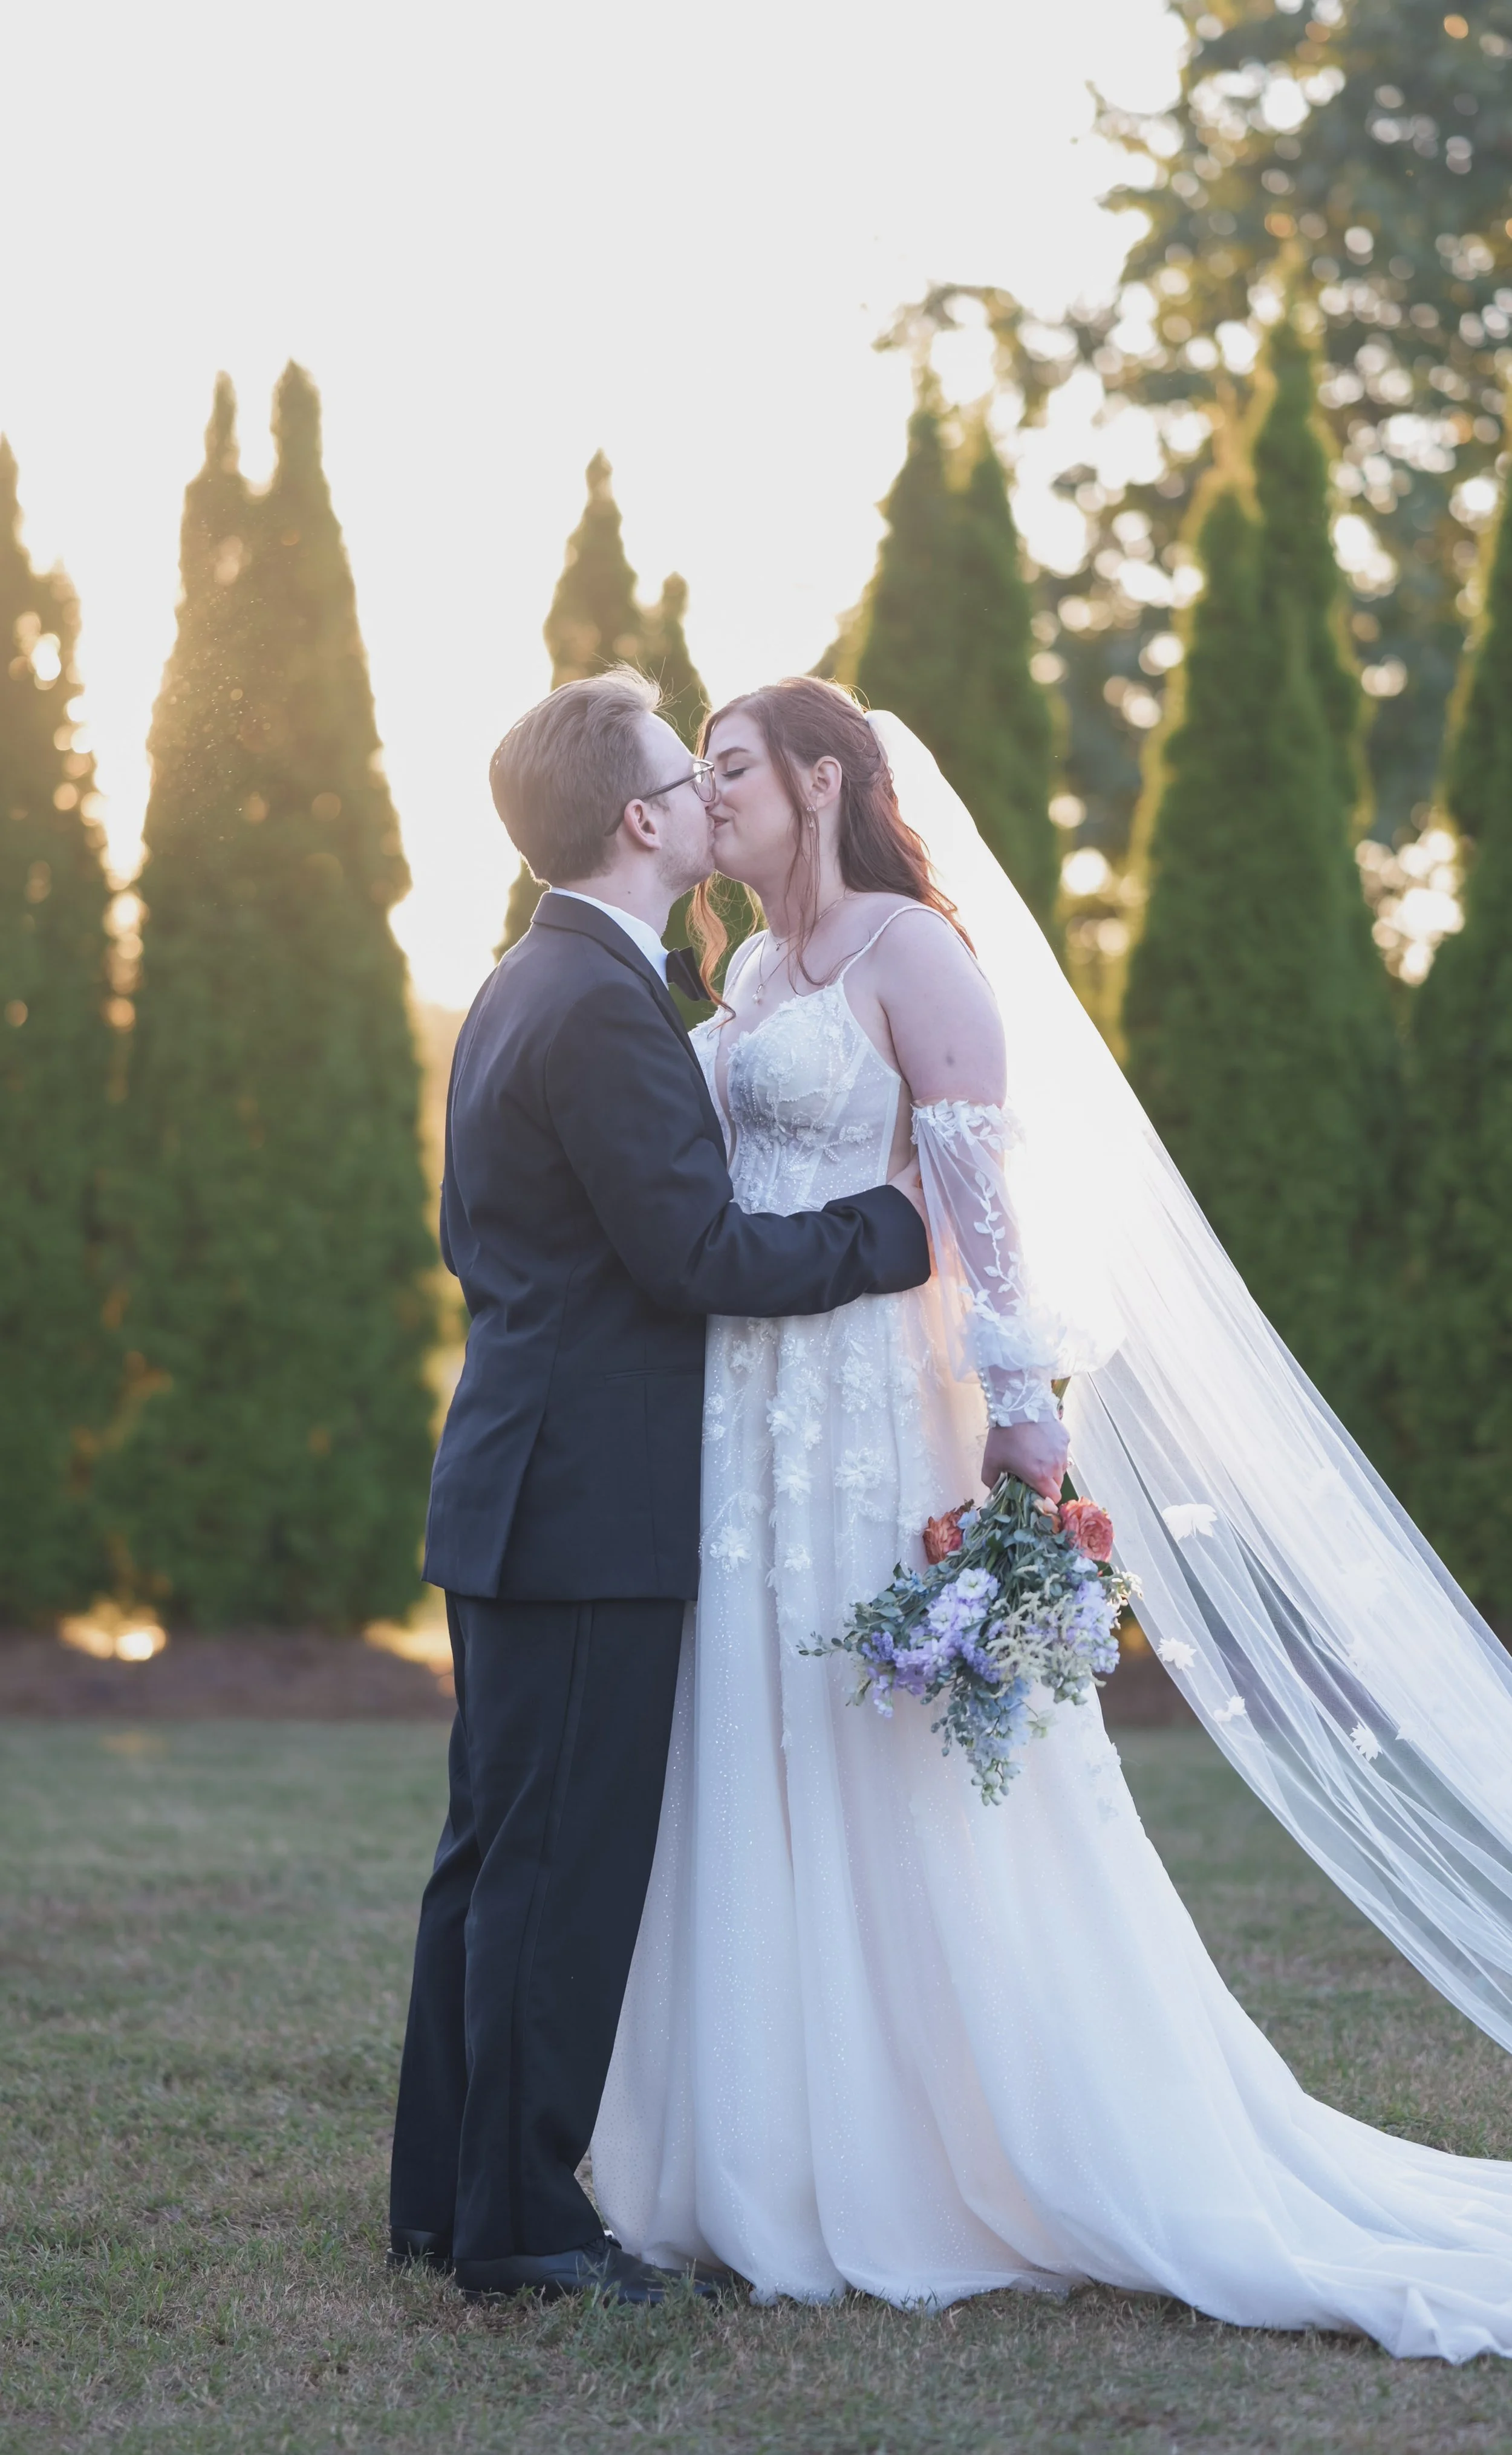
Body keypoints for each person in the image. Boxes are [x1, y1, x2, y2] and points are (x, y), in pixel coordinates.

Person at [591, 679, 1512, 2361]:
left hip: (877, 1409)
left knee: (896, 1751)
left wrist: (1023, 1412)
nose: (704, 795)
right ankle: (761, 2145)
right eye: (697, 769)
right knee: (755, 1727)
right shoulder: (745, 968)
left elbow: (975, 1198)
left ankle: (969, 2151)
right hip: (751, 1414)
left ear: (820, 780)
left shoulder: (908, 952)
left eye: (728, 769)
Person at [388, 671, 931, 2304]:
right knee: (556, 1866)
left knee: (492, 1857)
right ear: (639, 822)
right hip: (581, 1498)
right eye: (680, 781)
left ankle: (446, 2198)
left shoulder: (525, 982)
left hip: (521, 1478)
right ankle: (527, 2228)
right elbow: (694, 1253)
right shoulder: (598, 999)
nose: (708, 795)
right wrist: (887, 1234)